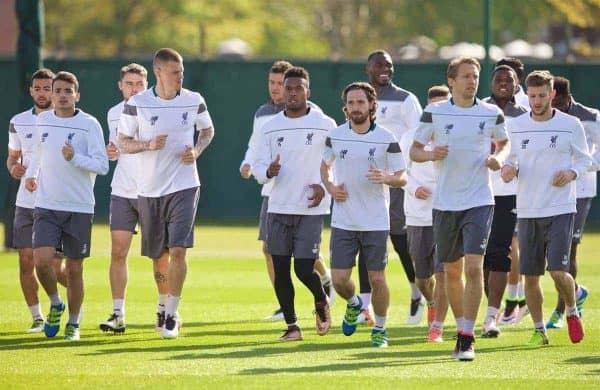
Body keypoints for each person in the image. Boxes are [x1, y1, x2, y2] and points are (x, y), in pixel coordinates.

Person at [410, 57, 510, 361]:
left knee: (473, 267)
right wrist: (430, 154)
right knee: (451, 272)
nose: (472, 81)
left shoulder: (491, 112)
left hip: (480, 200)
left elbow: (504, 143)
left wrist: (499, 158)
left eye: (475, 76)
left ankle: (467, 337)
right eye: (466, 76)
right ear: (451, 81)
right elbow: (414, 150)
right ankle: (460, 327)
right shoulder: (434, 112)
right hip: (444, 204)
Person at [118, 48, 215, 339]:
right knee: (158, 256)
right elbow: (123, 142)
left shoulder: (194, 100)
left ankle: (172, 314)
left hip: (185, 186)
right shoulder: (137, 104)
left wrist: (196, 151)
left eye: (181, 72)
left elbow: (208, 131)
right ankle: (162, 303)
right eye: (174, 72)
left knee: (178, 250)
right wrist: (147, 145)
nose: (180, 77)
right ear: (159, 73)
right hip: (147, 190)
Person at [239, 61, 333, 321]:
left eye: (296, 88)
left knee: (303, 268)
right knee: (278, 265)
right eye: (284, 87)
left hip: (311, 207)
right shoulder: (267, 122)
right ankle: (291, 323)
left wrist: (325, 185)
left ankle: (321, 295)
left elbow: (335, 160)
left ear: (307, 91)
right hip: (276, 204)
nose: (289, 92)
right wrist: (266, 172)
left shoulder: (324, 123)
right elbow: (258, 160)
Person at [502, 70, 589, 346]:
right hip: (528, 210)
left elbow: (586, 160)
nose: (537, 101)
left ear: (552, 94)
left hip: (561, 208)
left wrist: (572, 172)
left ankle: (572, 311)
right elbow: (511, 157)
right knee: (530, 276)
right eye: (532, 96)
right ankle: (539, 331)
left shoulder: (571, 124)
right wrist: (508, 168)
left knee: (557, 271)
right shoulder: (515, 125)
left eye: (542, 95)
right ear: (526, 96)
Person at [25, 71, 109, 340]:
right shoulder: (42, 120)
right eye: (57, 91)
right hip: (46, 205)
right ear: (51, 94)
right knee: (41, 263)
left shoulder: (90, 124)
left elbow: (102, 165)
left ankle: (73, 324)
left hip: (79, 207)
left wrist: (75, 159)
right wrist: (31, 176)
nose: (61, 96)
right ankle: (56, 303)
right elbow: (38, 155)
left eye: (67, 91)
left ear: (77, 95)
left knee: (74, 269)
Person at [322, 82, 406, 348]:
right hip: (344, 220)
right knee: (338, 280)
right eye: (351, 103)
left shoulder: (387, 138)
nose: (355, 107)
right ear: (345, 107)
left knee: (377, 278)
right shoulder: (335, 135)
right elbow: (325, 166)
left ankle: (380, 329)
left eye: (361, 102)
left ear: (372, 106)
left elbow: (402, 178)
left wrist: (387, 177)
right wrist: (331, 187)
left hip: (375, 222)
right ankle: (354, 304)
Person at [99, 63, 170, 334]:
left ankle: (165, 311)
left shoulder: (157, 108)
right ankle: (118, 314)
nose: (134, 88)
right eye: (129, 84)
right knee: (117, 252)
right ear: (120, 85)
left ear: (147, 84)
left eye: (139, 84)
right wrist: (111, 152)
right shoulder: (113, 113)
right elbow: (115, 148)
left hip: (153, 192)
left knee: (159, 256)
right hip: (122, 191)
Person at [364, 49, 425, 325]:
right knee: (365, 242)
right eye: (378, 65)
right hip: (368, 183)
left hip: (397, 182)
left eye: (388, 65)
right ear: (369, 69)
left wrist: (406, 175)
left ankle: (416, 292)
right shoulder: (361, 97)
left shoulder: (406, 100)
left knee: (401, 241)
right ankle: (364, 305)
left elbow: (419, 136)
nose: (384, 69)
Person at [7, 68, 67, 333]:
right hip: (26, 202)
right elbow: (13, 157)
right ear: (31, 91)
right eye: (38, 88)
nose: (42, 93)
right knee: (26, 261)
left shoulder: (69, 119)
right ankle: (37, 317)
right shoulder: (18, 121)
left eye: (47, 88)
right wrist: (14, 168)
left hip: (58, 203)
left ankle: (68, 302)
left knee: (56, 266)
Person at [544, 76, 598, 328]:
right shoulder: (544, 117)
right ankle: (576, 292)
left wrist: (576, 169)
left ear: (566, 97)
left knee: (568, 249)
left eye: (560, 101)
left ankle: (564, 309)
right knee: (549, 250)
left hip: (581, 190)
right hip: (548, 191)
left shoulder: (590, 116)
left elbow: (595, 158)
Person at [400, 84, 451, 343]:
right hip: (418, 215)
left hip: (447, 214)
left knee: (444, 272)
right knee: (422, 278)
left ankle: (437, 327)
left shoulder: (455, 134)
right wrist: (414, 187)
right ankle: (429, 301)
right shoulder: (411, 136)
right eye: (433, 106)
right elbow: (400, 172)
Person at [481, 65, 528, 337]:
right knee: (480, 257)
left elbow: (528, 153)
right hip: (476, 192)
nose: (502, 84)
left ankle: (491, 316)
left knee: (500, 252)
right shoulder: (480, 110)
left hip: (508, 194)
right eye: (497, 79)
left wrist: (517, 167)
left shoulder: (524, 116)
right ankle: (489, 309)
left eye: (508, 80)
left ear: (516, 83)